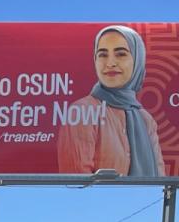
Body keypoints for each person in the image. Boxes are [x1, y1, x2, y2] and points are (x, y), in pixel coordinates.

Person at [56, 25, 163, 177]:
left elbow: (160, 179)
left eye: (120, 54)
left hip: (147, 195)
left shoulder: (145, 119)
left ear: (137, 61)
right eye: (102, 55)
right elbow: (76, 181)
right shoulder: (82, 111)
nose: (110, 63)